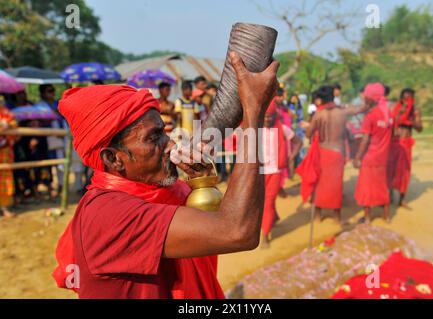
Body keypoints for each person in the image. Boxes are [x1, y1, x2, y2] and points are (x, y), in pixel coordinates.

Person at [52, 52, 280, 299]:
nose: (170, 146)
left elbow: (215, 225)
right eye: (153, 138)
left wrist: (202, 184)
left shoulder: (163, 193)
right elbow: (237, 232)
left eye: (163, 133)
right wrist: (253, 113)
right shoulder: (108, 213)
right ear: (113, 159)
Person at [299, 85, 368, 223]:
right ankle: (337, 217)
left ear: (320, 99)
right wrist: (367, 99)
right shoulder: (342, 111)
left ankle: (318, 215)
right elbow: (361, 108)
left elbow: (308, 134)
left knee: (320, 184)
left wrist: (308, 127)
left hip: (323, 152)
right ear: (333, 97)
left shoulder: (319, 114)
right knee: (336, 185)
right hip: (338, 153)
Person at [260, 99, 301, 248]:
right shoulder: (255, 129)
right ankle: (274, 218)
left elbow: (298, 142)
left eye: (269, 116)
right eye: (264, 116)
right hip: (259, 172)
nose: (267, 119)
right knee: (261, 202)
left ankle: (265, 235)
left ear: (275, 115)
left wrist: (291, 157)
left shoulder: (283, 128)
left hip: (275, 171)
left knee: (268, 202)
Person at [353, 83, 393, 223]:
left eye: (366, 96)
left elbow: (365, 140)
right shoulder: (388, 113)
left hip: (370, 158)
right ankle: (386, 216)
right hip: (383, 157)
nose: (364, 98)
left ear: (371, 98)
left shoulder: (370, 116)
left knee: (366, 188)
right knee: (382, 186)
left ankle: (368, 217)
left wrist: (357, 158)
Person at [388, 88, 422, 208]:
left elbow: (420, 129)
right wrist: (400, 115)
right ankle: (389, 195)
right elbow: (389, 124)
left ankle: (402, 199)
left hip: (406, 143)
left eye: (410, 98)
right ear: (401, 98)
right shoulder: (394, 108)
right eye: (405, 98)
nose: (407, 101)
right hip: (394, 142)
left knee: (405, 172)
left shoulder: (415, 111)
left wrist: (412, 121)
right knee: (391, 170)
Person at [39, 84, 65, 196]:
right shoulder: (40, 106)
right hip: (46, 138)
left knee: (61, 162)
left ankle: (61, 186)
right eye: (49, 91)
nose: (52, 93)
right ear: (43, 93)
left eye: (53, 90)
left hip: (61, 138)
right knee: (48, 164)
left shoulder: (58, 103)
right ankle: (49, 187)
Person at [0, 97, 17, 218]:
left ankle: (4, 207)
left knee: (5, 179)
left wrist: (6, 125)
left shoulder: (7, 115)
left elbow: (14, 125)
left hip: (4, 153)